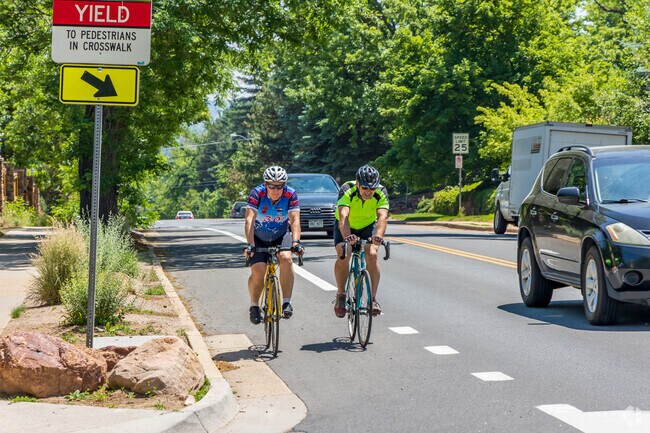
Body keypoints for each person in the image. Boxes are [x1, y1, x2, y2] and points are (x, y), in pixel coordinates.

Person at [244, 165, 304, 324]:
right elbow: (250, 219)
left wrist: (296, 242)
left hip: (280, 235)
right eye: (272, 186)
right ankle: (254, 305)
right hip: (258, 237)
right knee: (258, 270)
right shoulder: (257, 193)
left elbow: (294, 219)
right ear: (265, 184)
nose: (276, 190)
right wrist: (250, 244)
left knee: (286, 258)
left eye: (280, 186)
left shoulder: (290, 194)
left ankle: (286, 301)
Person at [333, 165, 389, 317]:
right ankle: (341, 294)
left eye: (372, 188)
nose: (368, 191)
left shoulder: (381, 192)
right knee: (344, 253)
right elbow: (343, 215)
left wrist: (378, 236)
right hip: (346, 226)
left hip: (367, 225)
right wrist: (347, 236)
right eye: (365, 187)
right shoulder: (347, 189)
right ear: (358, 184)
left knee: (372, 253)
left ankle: (373, 299)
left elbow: (382, 216)